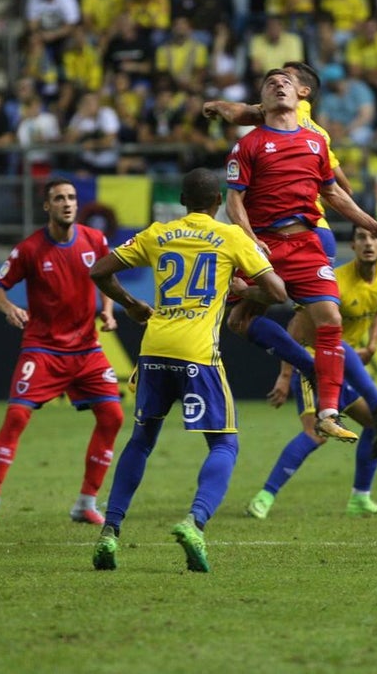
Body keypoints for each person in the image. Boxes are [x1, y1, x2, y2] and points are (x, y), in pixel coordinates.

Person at [88, 168, 286, 572]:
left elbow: (99, 271)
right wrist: (243, 290)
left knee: (141, 440)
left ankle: (109, 531)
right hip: (198, 353)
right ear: (218, 202)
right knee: (224, 443)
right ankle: (195, 522)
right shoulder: (231, 237)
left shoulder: (158, 233)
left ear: (182, 200)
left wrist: (131, 304)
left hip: (154, 348)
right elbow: (278, 292)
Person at [203, 62, 377, 459]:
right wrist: (251, 242)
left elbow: (335, 192)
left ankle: (328, 411)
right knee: (238, 320)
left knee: (329, 318)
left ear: (302, 95)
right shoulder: (248, 145)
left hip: (308, 242)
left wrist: (372, 224)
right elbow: (234, 200)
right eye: (270, 83)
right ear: (261, 102)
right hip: (264, 243)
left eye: (286, 81)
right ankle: (308, 366)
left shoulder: (315, 140)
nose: (279, 85)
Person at [0, 179, 124, 527]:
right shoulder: (29, 249)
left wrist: (108, 310)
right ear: (47, 206)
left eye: (71, 197)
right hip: (43, 349)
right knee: (16, 416)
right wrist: (9, 308)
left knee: (113, 417)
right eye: (59, 198)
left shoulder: (94, 239)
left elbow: (107, 277)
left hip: (86, 349)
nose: (67, 203)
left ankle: (85, 503)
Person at [247, 226, 377, 520]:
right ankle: (264, 497)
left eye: (374, 237)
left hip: (342, 366)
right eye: (361, 237)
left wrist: (372, 343)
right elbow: (296, 328)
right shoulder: (336, 281)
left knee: (375, 425)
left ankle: (360, 499)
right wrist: (285, 375)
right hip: (313, 364)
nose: (368, 243)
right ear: (352, 246)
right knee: (315, 434)